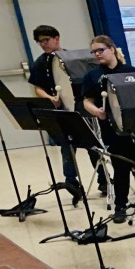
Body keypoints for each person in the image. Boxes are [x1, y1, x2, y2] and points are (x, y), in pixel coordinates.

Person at [81, 35, 135, 222]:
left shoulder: (130, 71)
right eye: (94, 51)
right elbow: (86, 101)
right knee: (121, 167)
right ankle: (120, 206)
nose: (97, 54)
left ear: (112, 49)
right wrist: (97, 112)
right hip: (111, 129)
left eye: (101, 50)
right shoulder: (92, 75)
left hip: (134, 129)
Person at [26, 24, 81, 202]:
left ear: (57, 38)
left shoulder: (72, 58)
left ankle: (103, 181)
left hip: (79, 110)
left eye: (46, 40)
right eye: (39, 42)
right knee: (67, 147)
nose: (43, 44)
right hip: (59, 112)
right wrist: (49, 97)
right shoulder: (40, 62)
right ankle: (72, 183)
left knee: (92, 147)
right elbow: (38, 88)